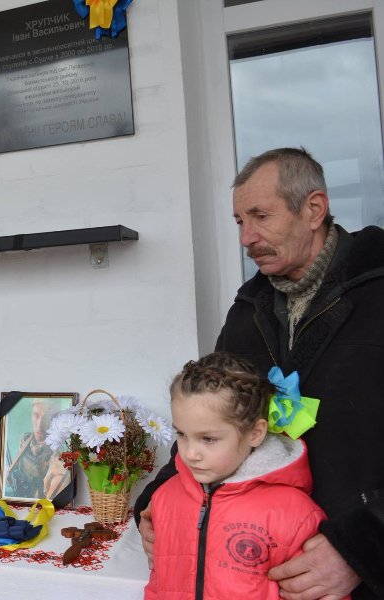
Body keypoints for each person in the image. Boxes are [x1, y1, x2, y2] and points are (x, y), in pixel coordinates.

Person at [136, 147, 383, 599]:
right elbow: (212, 412)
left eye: (260, 217)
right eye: (239, 221)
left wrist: (364, 550)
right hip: (255, 572)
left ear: (314, 209)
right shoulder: (247, 310)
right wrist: (159, 500)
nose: (246, 237)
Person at [145, 352, 329, 599]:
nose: (189, 453)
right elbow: (158, 582)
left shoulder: (296, 514)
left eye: (208, 439)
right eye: (182, 434)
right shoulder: (164, 498)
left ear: (255, 433)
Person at [4, 399, 68, 499]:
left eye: (47, 418)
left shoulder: (62, 451)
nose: (39, 425)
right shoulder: (25, 439)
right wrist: (9, 470)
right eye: (36, 415)